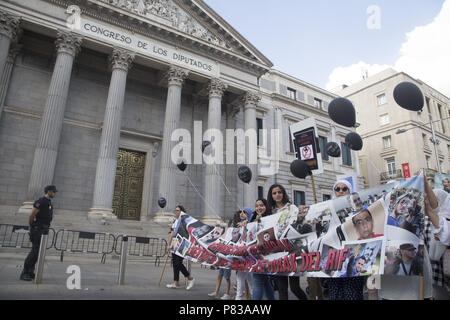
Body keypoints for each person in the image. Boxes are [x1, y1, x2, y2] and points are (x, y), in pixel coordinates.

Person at [326, 179, 366, 300]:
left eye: (344, 189)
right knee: (335, 294)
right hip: (334, 258)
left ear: (350, 191)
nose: (341, 191)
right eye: (337, 189)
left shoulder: (360, 210)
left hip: (352, 256)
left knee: (352, 294)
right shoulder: (328, 210)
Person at [267, 184, 308, 300]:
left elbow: (299, 224)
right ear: (271, 196)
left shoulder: (292, 208)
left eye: (279, 192)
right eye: (274, 193)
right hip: (277, 252)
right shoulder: (270, 211)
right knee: (282, 288)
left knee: (295, 287)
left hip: (292, 250)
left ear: (283, 193)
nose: (277, 195)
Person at [20, 185, 57, 281]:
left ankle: (30, 271)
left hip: (44, 229)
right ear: (48, 191)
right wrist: (32, 225)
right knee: (35, 251)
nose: (54, 193)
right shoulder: (41, 201)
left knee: (37, 252)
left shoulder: (49, 202)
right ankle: (25, 272)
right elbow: (32, 214)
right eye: (53, 192)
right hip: (38, 229)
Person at [251, 198, 276, 300]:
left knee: (258, 281)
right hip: (255, 254)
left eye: (261, 205)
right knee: (265, 281)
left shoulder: (271, 218)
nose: (259, 208)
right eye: (257, 206)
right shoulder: (253, 219)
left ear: (266, 206)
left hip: (265, 255)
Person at [166, 205, 195, 290]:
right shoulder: (175, 221)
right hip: (175, 242)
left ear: (182, 212)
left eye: (178, 210)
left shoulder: (185, 221)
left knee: (178, 263)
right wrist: (169, 244)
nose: (176, 212)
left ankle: (190, 278)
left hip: (183, 243)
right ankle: (176, 282)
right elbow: (172, 232)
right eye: (175, 210)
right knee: (175, 263)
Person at [234, 207, 254, 300]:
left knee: (241, 280)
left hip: (248, 256)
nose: (241, 213)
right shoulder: (240, 225)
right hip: (242, 255)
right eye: (241, 212)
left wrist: (246, 225)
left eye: (244, 212)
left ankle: (239, 298)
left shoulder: (251, 224)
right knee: (250, 281)